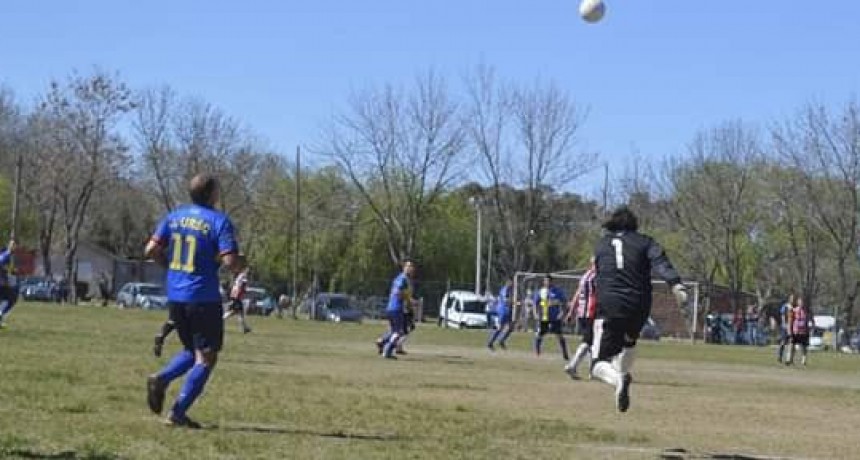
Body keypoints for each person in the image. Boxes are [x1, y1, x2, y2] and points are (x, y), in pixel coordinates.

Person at [144, 173, 242, 428]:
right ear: (212, 193)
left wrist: (170, 268)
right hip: (203, 297)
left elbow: (151, 249)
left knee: (192, 350)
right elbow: (230, 261)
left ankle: (161, 380)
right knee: (207, 357)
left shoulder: (174, 216)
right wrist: (242, 264)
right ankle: (177, 411)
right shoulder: (219, 221)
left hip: (176, 295)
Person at [590, 206, 688, 413]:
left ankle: (619, 379)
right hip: (639, 302)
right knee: (629, 341)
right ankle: (622, 375)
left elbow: (597, 272)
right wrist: (676, 284)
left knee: (597, 364)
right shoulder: (646, 242)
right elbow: (661, 262)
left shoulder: (601, 245)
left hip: (610, 303)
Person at [375, 259, 416, 359]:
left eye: (411, 266)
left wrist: (409, 301)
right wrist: (408, 299)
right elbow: (398, 292)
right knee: (399, 332)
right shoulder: (403, 279)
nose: (410, 268)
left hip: (391, 307)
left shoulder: (401, 278)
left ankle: (382, 342)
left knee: (394, 331)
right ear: (404, 267)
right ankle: (387, 351)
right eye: (408, 266)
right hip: (396, 308)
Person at [564, 259, 597, 379]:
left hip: (582, 313)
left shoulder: (585, 275)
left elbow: (577, 294)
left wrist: (571, 311)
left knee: (593, 343)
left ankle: (593, 371)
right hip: (592, 312)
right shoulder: (597, 276)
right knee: (588, 341)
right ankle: (572, 365)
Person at [532, 274, 569, 360]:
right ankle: (537, 352)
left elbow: (564, 302)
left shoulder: (557, 291)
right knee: (540, 334)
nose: (546, 282)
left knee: (559, 335)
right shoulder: (541, 291)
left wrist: (562, 313)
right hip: (544, 316)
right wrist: (535, 313)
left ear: (551, 281)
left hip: (555, 317)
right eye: (545, 281)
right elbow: (535, 303)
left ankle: (565, 353)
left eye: (548, 281)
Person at [222, 257, 252, 334]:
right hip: (236, 295)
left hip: (235, 294)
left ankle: (245, 328)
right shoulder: (244, 276)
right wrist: (243, 292)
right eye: (248, 270)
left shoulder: (240, 275)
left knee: (238, 312)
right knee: (235, 311)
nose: (249, 272)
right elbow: (242, 285)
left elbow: (237, 284)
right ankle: (220, 321)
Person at [487, 278, 515, 351]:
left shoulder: (509, 290)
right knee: (500, 328)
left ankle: (501, 341)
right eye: (511, 283)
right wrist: (515, 302)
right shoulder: (505, 290)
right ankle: (490, 343)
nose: (512, 284)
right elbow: (506, 300)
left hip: (507, 311)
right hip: (503, 311)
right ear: (507, 282)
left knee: (511, 327)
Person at [785, 296, 814, 366]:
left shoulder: (807, 311)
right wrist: (789, 330)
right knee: (791, 345)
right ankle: (789, 359)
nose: (801, 303)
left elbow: (812, 320)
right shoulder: (794, 310)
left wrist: (812, 328)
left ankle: (804, 361)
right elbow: (790, 320)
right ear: (798, 303)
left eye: (802, 302)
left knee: (804, 347)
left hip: (804, 332)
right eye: (800, 302)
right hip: (795, 331)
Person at [0, 238, 18, 328]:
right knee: (12, 299)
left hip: (4, 282)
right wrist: (9, 270)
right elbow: (1, 264)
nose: (13, 246)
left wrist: (12, 270)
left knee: (11, 299)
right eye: (12, 244)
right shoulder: (6, 254)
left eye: (14, 245)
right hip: (2, 282)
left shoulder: (10, 255)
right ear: (9, 245)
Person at [777, 294, 794, 362]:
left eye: (793, 298)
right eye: (792, 298)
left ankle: (788, 359)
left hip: (792, 326)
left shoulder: (794, 307)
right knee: (783, 342)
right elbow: (783, 316)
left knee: (791, 342)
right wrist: (785, 324)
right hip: (785, 326)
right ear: (789, 299)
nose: (793, 300)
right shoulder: (785, 306)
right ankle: (780, 355)